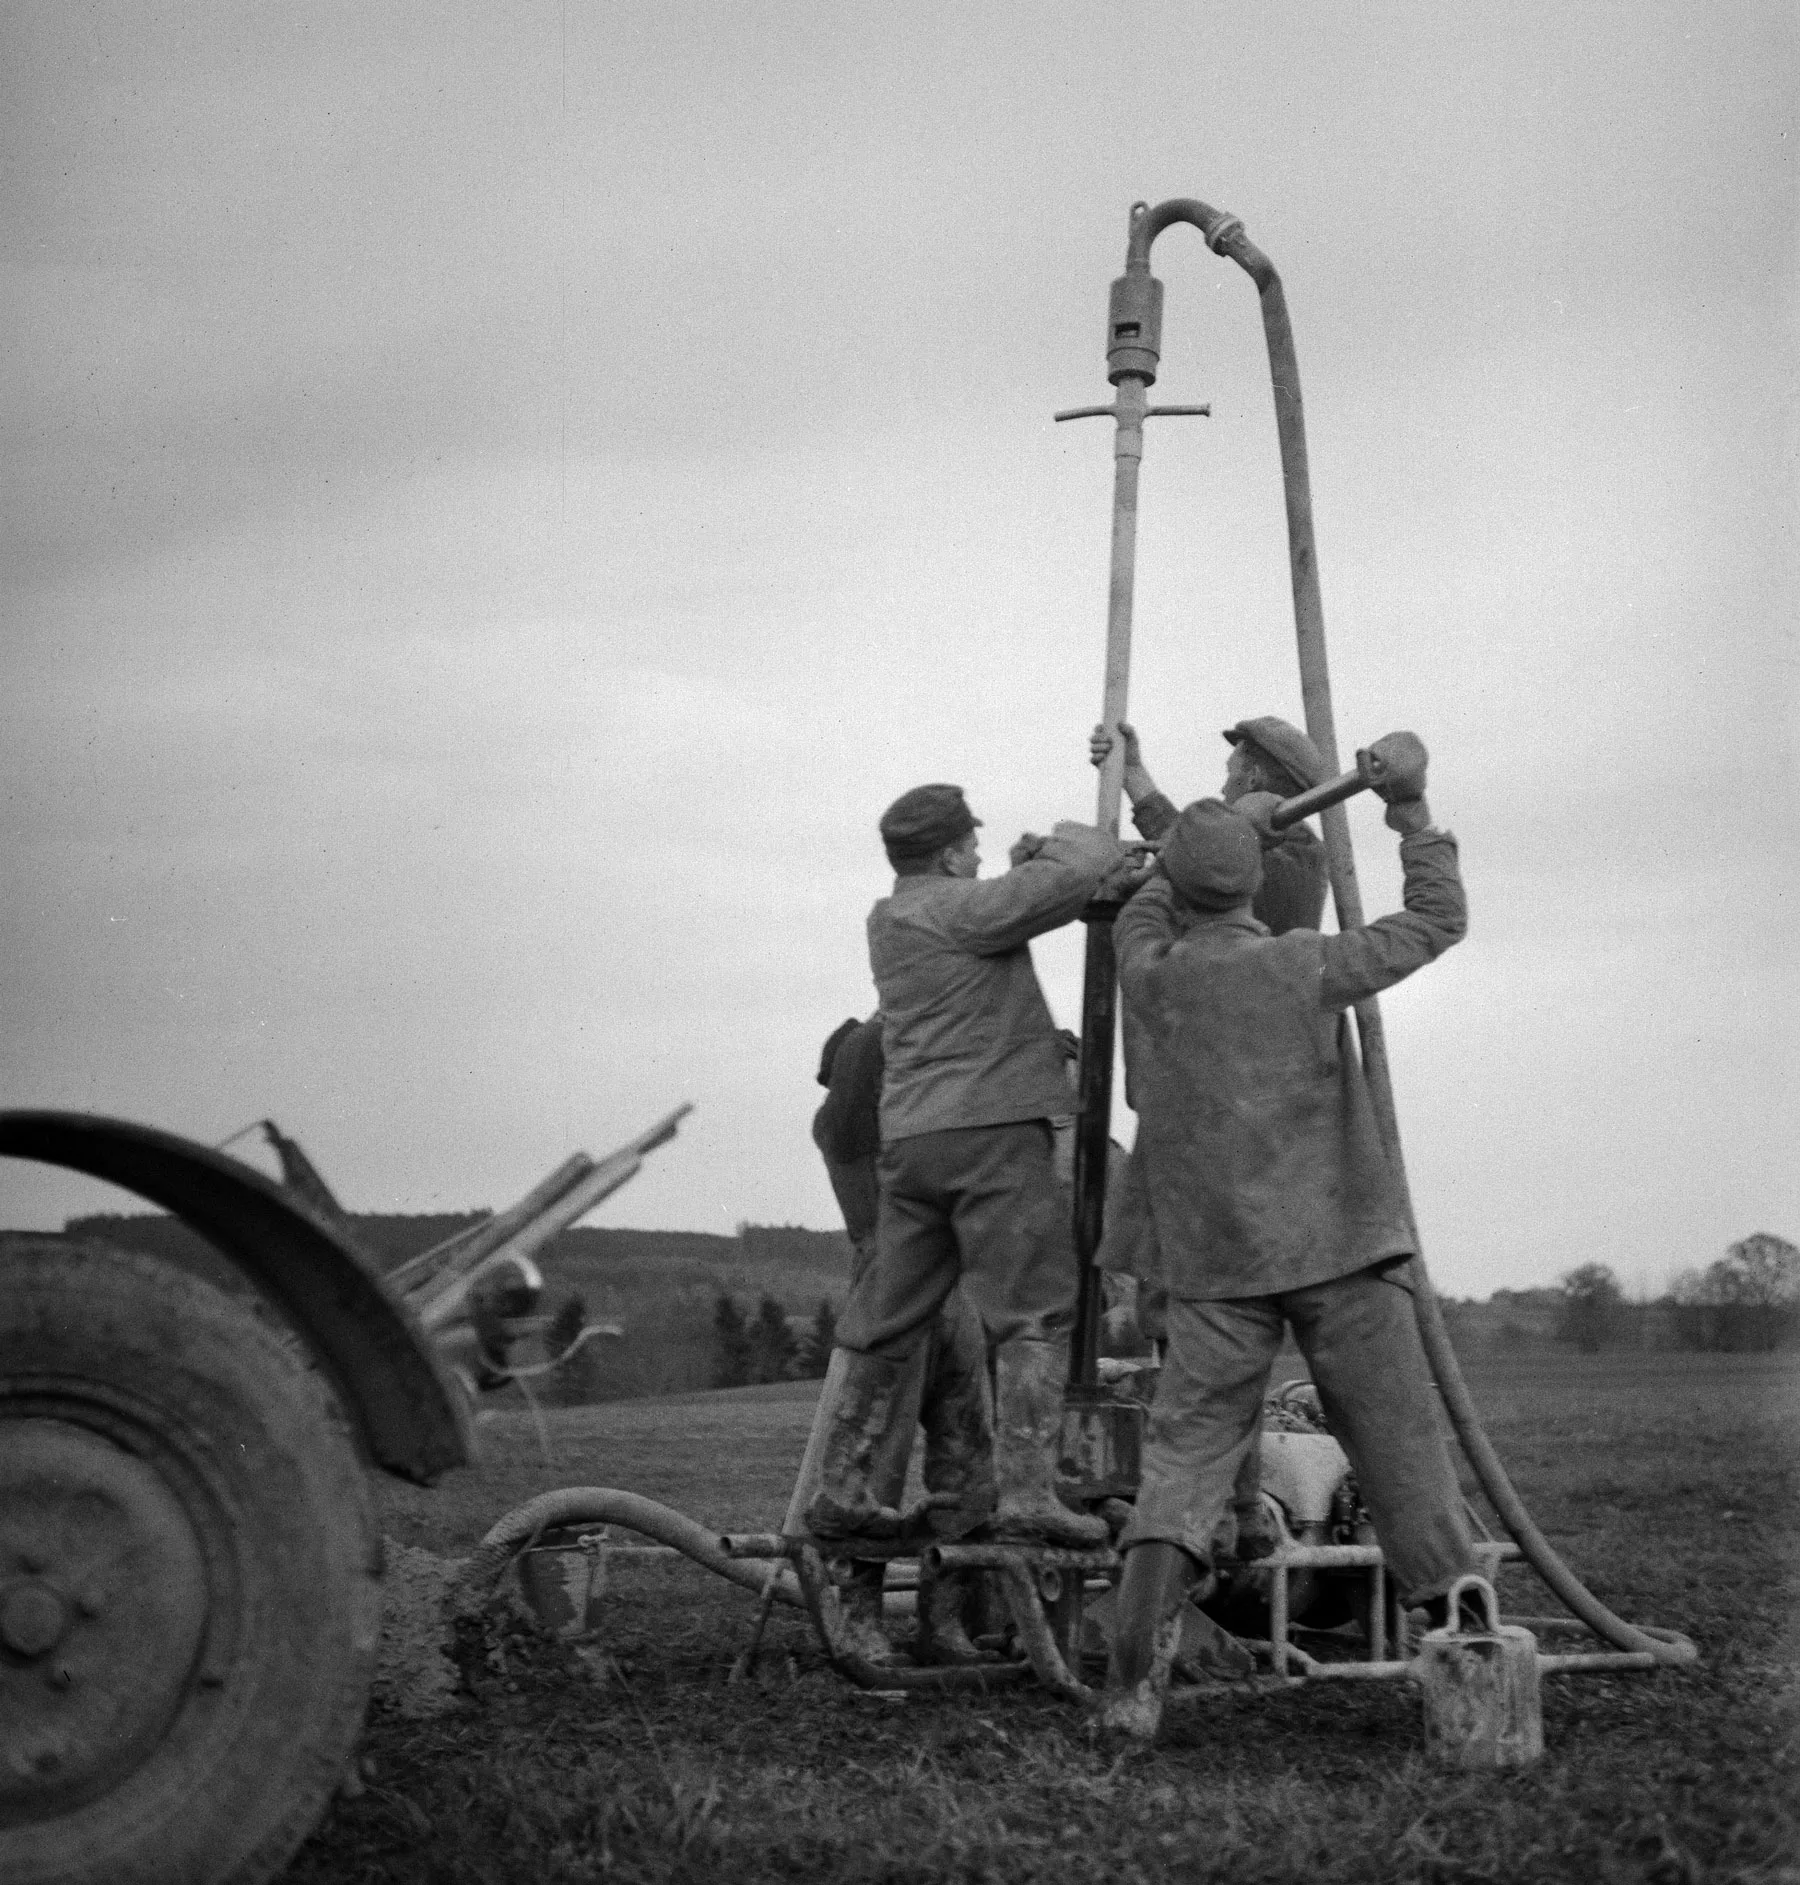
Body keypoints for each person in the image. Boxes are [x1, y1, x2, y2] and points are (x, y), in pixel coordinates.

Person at [1097, 760, 1482, 1740]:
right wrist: (1410, 811)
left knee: (1182, 1467)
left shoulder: (1151, 968)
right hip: (1337, 1251)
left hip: (1216, 1272)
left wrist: (1228, 829)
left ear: (1180, 888)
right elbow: (1438, 920)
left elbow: (1148, 901)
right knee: (1404, 1454)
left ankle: (1132, 1677)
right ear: (1253, 882)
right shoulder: (1307, 962)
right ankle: (1472, 1670)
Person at [808, 783, 1132, 1549]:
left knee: (887, 1315)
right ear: (952, 852)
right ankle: (1027, 1495)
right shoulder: (964, 909)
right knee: (1035, 1311)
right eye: (972, 846)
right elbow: (1081, 864)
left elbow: (1015, 900)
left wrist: (1022, 871)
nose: (980, 853)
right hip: (990, 1132)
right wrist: (1056, 844)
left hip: (914, 1141)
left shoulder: (892, 916)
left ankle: (841, 1490)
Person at [809, 1014, 997, 1666]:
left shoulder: (902, 1095)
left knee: (972, 1460)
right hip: (894, 1283)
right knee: (875, 1468)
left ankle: (943, 1622)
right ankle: (861, 1619)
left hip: (952, 1290)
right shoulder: (845, 1116)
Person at [1090, 715, 1329, 934]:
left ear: (1253, 778)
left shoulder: (1281, 853)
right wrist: (1132, 772)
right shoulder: (1299, 848)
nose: (1223, 789)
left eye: (1230, 773)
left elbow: (1195, 852)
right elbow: (1193, 845)